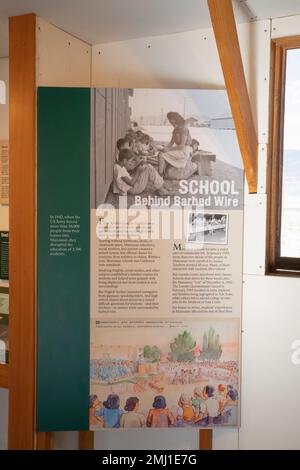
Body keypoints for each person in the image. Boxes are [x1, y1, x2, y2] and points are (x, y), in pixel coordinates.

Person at [158, 112, 197, 179]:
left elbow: (181, 146)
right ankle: (161, 174)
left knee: (161, 155)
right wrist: (164, 147)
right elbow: (171, 143)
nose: (170, 122)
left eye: (171, 120)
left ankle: (159, 176)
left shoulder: (184, 129)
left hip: (184, 151)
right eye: (169, 121)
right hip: (179, 149)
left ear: (175, 119)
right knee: (161, 152)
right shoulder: (175, 130)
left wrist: (168, 149)